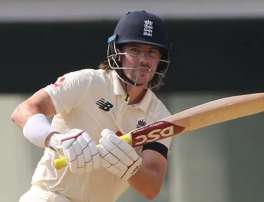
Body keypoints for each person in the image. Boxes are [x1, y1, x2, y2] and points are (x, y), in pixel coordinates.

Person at [11, 10, 172, 202]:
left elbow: (151, 188)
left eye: (151, 52)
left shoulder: (159, 116)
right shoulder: (87, 82)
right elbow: (23, 111)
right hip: (50, 196)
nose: (144, 60)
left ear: (160, 60)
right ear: (117, 52)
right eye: (135, 50)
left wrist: (129, 166)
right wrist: (56, 140)